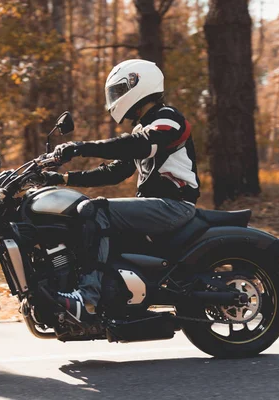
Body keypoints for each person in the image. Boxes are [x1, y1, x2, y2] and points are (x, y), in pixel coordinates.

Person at [43, 59, 200, 322]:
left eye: (117, 91)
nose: (114, 99)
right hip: (156, 205)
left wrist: (80, 146)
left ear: (138, 85)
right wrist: (64, 179)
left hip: (174, 206)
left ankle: (87, 299)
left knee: (93, 210)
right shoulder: (142, 129)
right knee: (80, 214)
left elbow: (138, 144)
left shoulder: (169, 118)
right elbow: (115, 171)